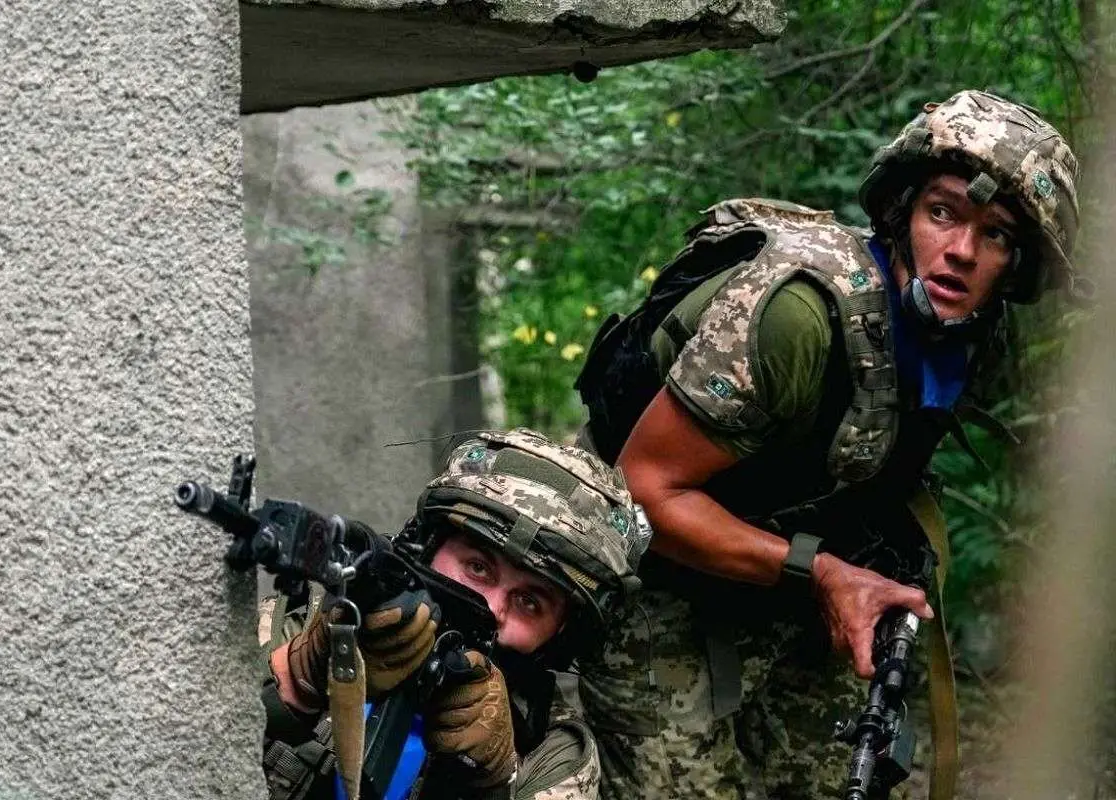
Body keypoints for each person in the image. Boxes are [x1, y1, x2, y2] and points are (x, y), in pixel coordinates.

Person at [572, 89, 1089, 798]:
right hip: (657, 577)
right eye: (942, 213)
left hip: (798, 580)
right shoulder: (798, 317)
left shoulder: (966, 335)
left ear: (1016, 266)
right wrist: (821, 573)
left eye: (996, 234)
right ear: (901, 214)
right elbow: (641, 491)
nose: (963, 252)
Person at [257, 428, 651, 800]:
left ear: (560, 633)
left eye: (530, 602)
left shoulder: (554, 756)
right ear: (428, 547)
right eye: (477, 567)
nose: (492, 608)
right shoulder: (300, 625)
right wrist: (298, 681)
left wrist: (494, 782)